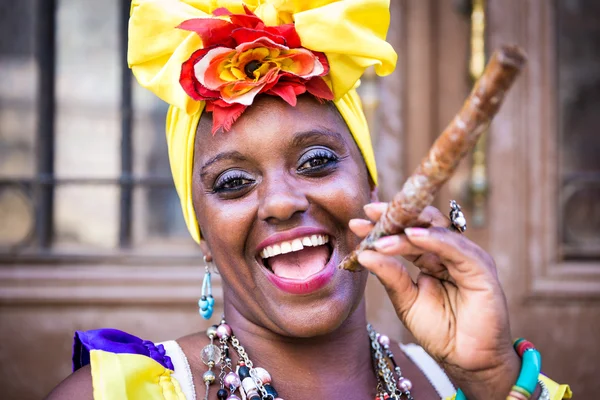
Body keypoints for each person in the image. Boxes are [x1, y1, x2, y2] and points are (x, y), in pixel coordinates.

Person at [46, 1, 572, 399]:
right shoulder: (118, 393)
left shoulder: (453, 382)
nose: (280, 202)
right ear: (200, 231)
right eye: (232, 182)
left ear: (372, 191)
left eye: (317, 161)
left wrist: (489, 377)